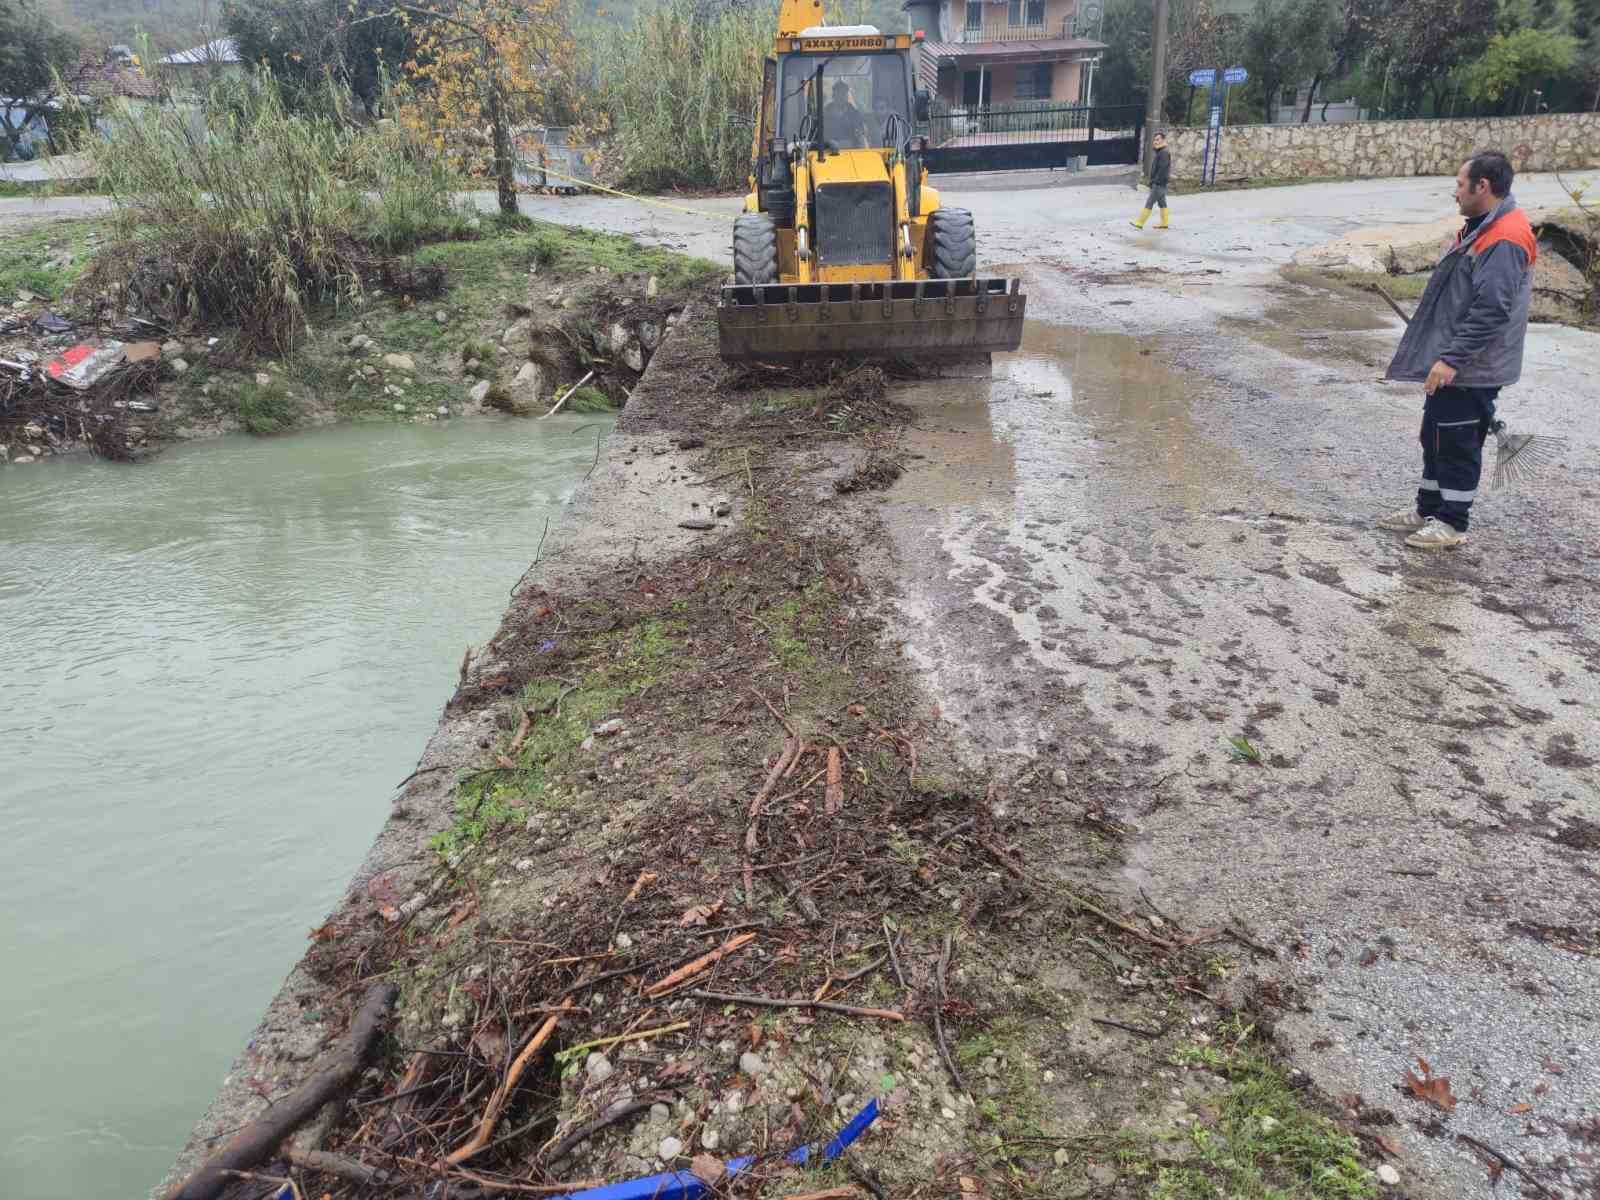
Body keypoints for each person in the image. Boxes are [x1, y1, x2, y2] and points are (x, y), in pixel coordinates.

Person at [1379, 150, 1536, 550]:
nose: (1455, 191)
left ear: (1482, 186)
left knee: (1457, 442)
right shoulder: (1481, 228)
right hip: (1457, 357)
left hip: (1474, 365)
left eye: (1460, 184)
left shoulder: (1504, 238)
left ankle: (1452, 523)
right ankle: (1428, 509)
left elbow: (1492, 309)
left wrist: (1452, 359)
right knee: (1434, 436)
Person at [1130, 131, 1171, 230]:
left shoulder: (1164, 153)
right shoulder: (1161, 152)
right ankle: (1164, 223)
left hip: (1158, 183)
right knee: (1162, 203)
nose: (1156, 142)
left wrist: (1155, 181)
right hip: (1160, 183)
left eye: (1158, 139)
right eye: (1155, 140)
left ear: (1163, 140)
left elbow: (1163, 169)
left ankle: (1140, 222)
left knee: (1149, 202)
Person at [823, 81, 867, 148]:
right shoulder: (824, 114)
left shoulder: (855, 115)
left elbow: (860, 135)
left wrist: (858, 136)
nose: (841, 97)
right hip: (828, 151)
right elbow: (820, 136)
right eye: (838, 94)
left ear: (847, 96)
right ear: (833, 96)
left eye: (843, 94)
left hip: (851, 151)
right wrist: (829, 142)